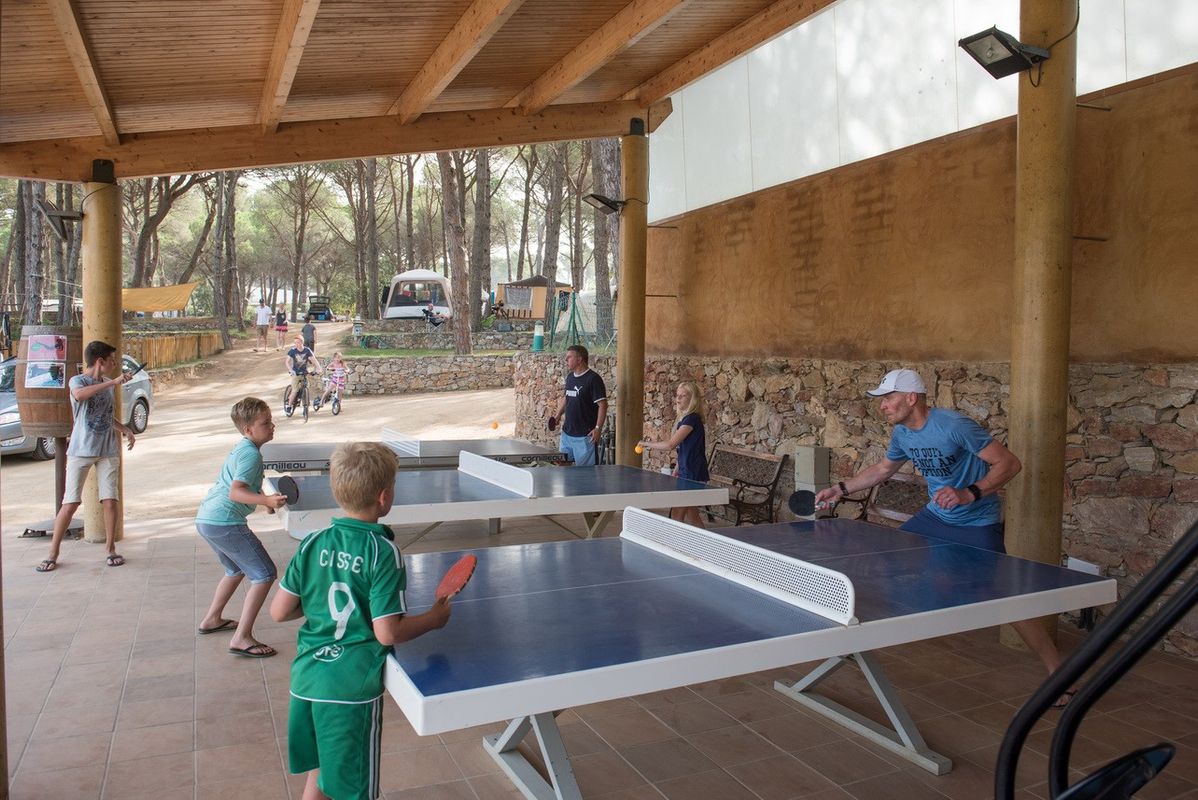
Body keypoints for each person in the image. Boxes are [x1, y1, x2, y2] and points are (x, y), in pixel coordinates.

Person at [814, 368, 1075, 707]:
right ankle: (854, 643)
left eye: (889, 398)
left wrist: (970, 493)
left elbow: (1009, 464)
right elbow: (883, 470)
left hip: (976, 523)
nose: (883, 406)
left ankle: (1059, 673)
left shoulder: (953, 426)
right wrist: (841, 488)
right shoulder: (904, 433)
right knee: (882, 560)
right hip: (936, 518)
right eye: (882, 400)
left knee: (1008, 598)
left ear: (911, 398)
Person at [271, 442, 452, 800]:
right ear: (384, 497)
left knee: (321, 773)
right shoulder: (382, 552)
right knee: (354, 791)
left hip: (306, 681)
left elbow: (279, 611)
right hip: (349, 690)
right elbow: (387, 633)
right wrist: (433, 619)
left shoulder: (312, 542)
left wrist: (322, 601)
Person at [194, 397, 287, 657]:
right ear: (248, 429)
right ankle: (242, 637)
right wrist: (266, 499)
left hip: (207, 519)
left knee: (235, 569)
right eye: (265, 423)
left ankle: (212, 619)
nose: (272, 426)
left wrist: (262, 500)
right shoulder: (250, 454)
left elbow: (244, 484)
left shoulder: (243, 448)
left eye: (271, 421)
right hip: (224, 522)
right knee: (265, 573)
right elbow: (236, 493)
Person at [36, 340, 136, 572]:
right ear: (100, 361)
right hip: (81, 450)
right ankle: (53, 553)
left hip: (107, 450)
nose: (115, 364)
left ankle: (110, 549)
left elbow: (104, 416)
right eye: (112, 361)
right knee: (70, 503)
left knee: (110, 500)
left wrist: (125, 429)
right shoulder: (78, 381)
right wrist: (113, 382)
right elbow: (80, 396)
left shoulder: (106, 384)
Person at [638, 381, 709, 527]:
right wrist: (677, 468)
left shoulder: (692, 419)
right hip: (686, 471)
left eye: (683, 396)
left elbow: (671, 444)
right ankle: (706, 545)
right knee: (692, 514)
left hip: (692, 473)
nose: (678, 399)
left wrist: (646, 444)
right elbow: (686, 448)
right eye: (677, 395)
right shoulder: (686, 419)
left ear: (692, 398)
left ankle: (677, 546)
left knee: (677, 515)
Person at [551, 344, 607, 466]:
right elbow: (567, 397)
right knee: (563, 466)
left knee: (585, 476)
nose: (566, 360)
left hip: (584, 437)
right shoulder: (570, 377)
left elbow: (603, 405)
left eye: (569, 357)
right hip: (567, 434)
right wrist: (558, 415)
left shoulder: (593, 379)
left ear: (579, 359)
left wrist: (598, 428)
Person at [285, 335, 322, 414]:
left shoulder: (307, 350)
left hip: (305, 372)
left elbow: (314, 360)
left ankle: (306, 406)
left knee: (306, 388)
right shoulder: (292, 350)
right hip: (295, 373)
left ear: (302, 342)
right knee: (295, 390)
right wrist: (291, 370)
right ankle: (289, 406)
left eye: (298, 342)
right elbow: (287, 362)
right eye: (295, 343)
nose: (296, 344)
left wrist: (319, 368)